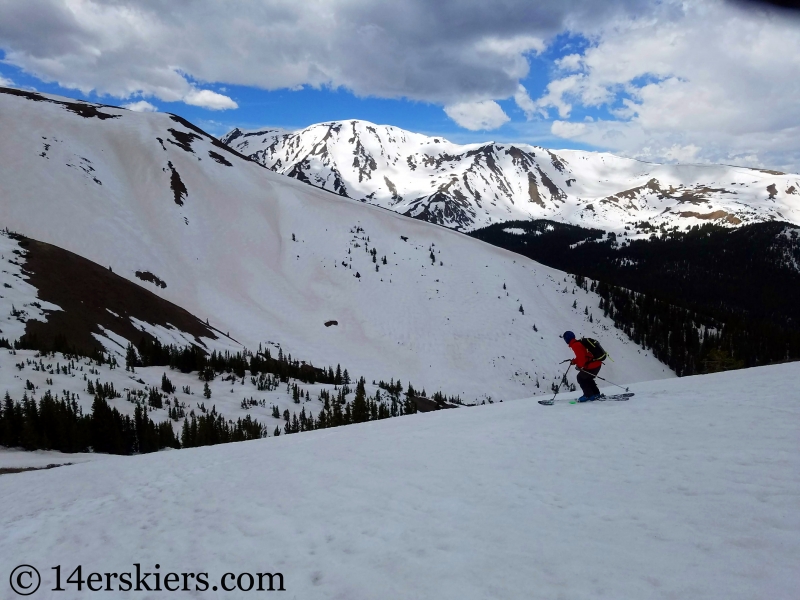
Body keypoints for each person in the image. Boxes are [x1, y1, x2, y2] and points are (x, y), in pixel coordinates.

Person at [563, 331, 602, 402]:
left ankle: (588, 395)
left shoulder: (575, 345)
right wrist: (574, 361)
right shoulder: (578, 343)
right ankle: (596, 393)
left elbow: (582, 359)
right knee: (588, 378)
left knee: (580, 378)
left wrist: (579, 366)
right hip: (597, 364)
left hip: (592, 365)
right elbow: (583, 356)